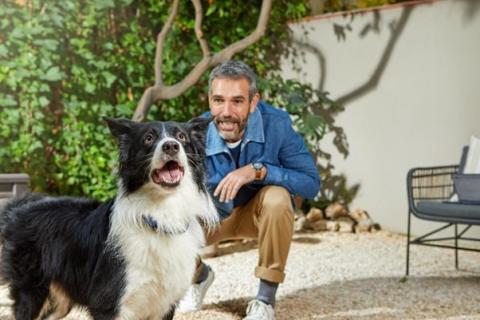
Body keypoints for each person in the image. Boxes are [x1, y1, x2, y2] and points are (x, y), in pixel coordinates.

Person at [177, 60, 321, 320]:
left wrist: (260, 171)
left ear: (254, 102)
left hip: (258, 216)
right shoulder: (194, 133)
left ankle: (264, 300)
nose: (226, 112)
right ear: (209, 99)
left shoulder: (277, 124)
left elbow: (311, 183)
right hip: (213, 217)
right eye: (218, 100)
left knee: (278, 198)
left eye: (237, 101)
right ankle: (198, 276)